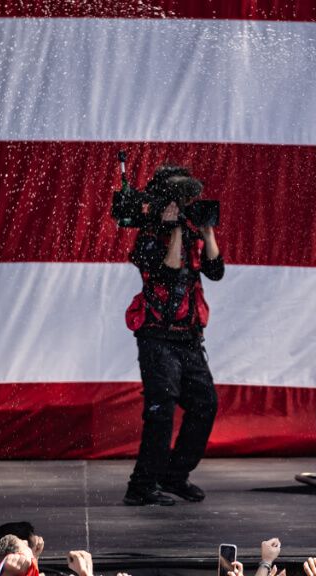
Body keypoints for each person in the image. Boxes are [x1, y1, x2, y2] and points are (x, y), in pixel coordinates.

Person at [122, 165, 224, 506]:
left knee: (205, 404)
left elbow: (216, 270)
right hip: (157, 338)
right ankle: (141, 485)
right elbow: (167, 273)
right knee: (161, 409)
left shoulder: (194, 235)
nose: (183, 207)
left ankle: (174, 475)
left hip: (189, 338)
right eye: (177, 202)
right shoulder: (148, 239)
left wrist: (207, 232)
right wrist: (174, 230)